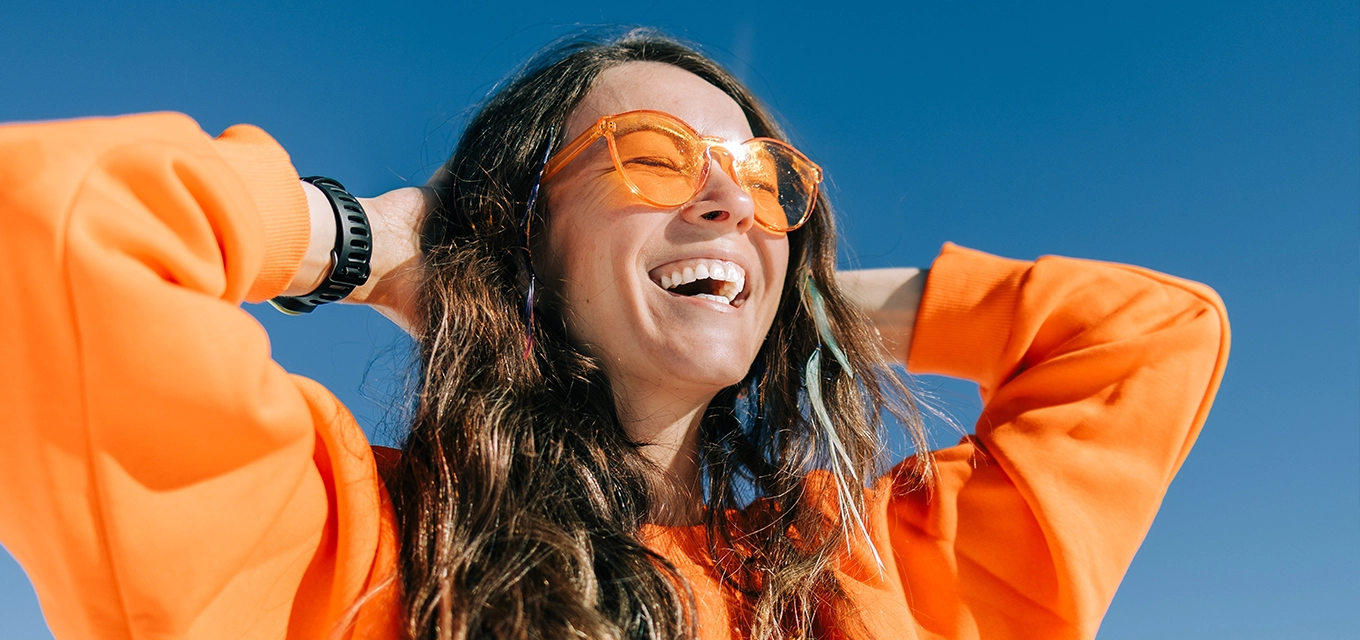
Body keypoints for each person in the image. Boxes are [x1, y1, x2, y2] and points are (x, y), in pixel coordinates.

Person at [0, 30, 1229, 640]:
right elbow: (46, 226)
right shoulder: (347, 553)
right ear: (518, 240)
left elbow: (1150, 341)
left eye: (764, 184)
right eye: (652, 159)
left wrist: (781, 294)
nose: (726, 200)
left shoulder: (870, 581)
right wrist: (363, 241)